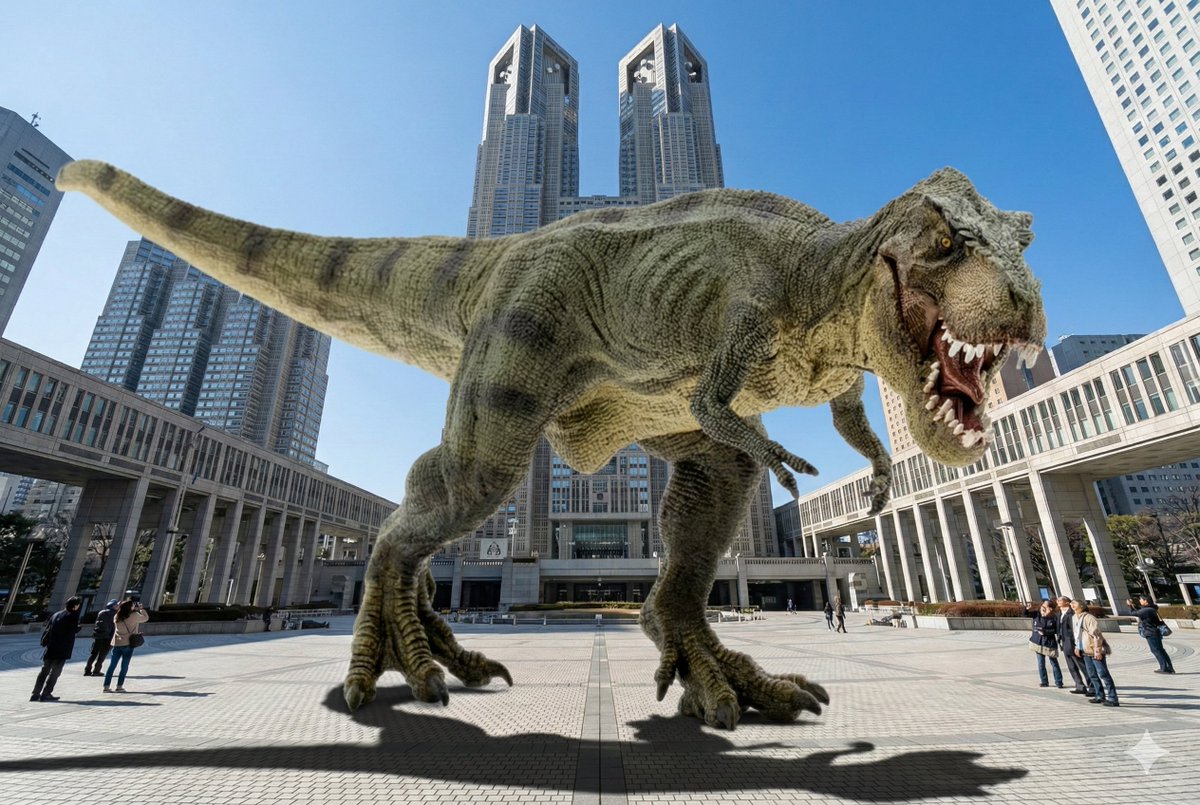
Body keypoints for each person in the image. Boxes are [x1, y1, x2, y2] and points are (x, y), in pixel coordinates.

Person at [30, 596, 82, 702]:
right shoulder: (72, 615)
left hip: (50, 647)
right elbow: (71, 630)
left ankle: (35, 694)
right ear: (75, 605)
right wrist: (78, 628)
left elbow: (48, 629)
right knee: (55, 672)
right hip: (62, 648)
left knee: (44, 670)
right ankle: (46, 693)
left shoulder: (56, 614)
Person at [1071, 599, 1118, 707]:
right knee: (1092, 674)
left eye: (1074, 603)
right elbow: (1076, 634)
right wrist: (1077, 647)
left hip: (1093, 650)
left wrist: (1097, 650)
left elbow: (1096, 635)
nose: (1072, 605)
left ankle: (1113, 698)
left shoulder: (1089, 617)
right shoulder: (1074, 617)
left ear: (1082, 605)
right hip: (1085, 650)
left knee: (1103, 674)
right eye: (1071, 603)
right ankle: (1099, 695)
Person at [103, 598, 149, 693]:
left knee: (112, 665)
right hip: (128, 643)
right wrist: (141, 609)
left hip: (117, 643)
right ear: (130, 607)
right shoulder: (134, 615)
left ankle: (106, 686)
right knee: (124, 666)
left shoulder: (117, 616)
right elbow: (145, 618)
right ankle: (119, 686)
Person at [1055, 596, 1093, 696]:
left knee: (1082, 665)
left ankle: (1092, 686)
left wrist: (1077, 644)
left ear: (1067, 602)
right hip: (1064, 642)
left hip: (1072, 643)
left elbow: (1075, 630)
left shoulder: (1072, 614)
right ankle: (1079, 685)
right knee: (1071, 666)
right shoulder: (1059, 613)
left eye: (1060, 600)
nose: (1058, 601)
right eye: (1057, 600)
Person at [1133, 595, 1175, 674]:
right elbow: (1139, 611)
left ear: (1146, 601)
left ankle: (1164, 668)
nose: (1140, 601)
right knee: (1161, 650)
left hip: (1151, 632)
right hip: (1155, 632)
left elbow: (1134, 613)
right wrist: (1133, 605)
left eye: (1141, 599)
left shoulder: (1147, 610)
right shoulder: (1152, 608)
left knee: (1156, 650)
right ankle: (1169, 667)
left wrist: (1130, 606)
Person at [1029, 600, 1063, 688]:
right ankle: (1044, 681)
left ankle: (1059, 682)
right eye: (1042, 605)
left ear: (1051, 608)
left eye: (1045, 606)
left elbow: (1056, 630)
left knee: (1054, 662)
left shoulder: (1054, 617)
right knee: (1041, 663)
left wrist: (1045, 632)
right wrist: (1026, 608)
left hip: (1049, 643)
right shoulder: (1038, 614)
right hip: (1038, 642)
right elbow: (1026, 614)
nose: (1043, 607)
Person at [83, 599, 118, 677]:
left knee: (93, 654)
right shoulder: (115, 614)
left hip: (98, 636)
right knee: (102, 655)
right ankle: (96, 671)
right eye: (116, 605)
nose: (118, 606)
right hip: (107, 637)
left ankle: (87, 670)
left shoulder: (101, 612)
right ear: (113, 606)